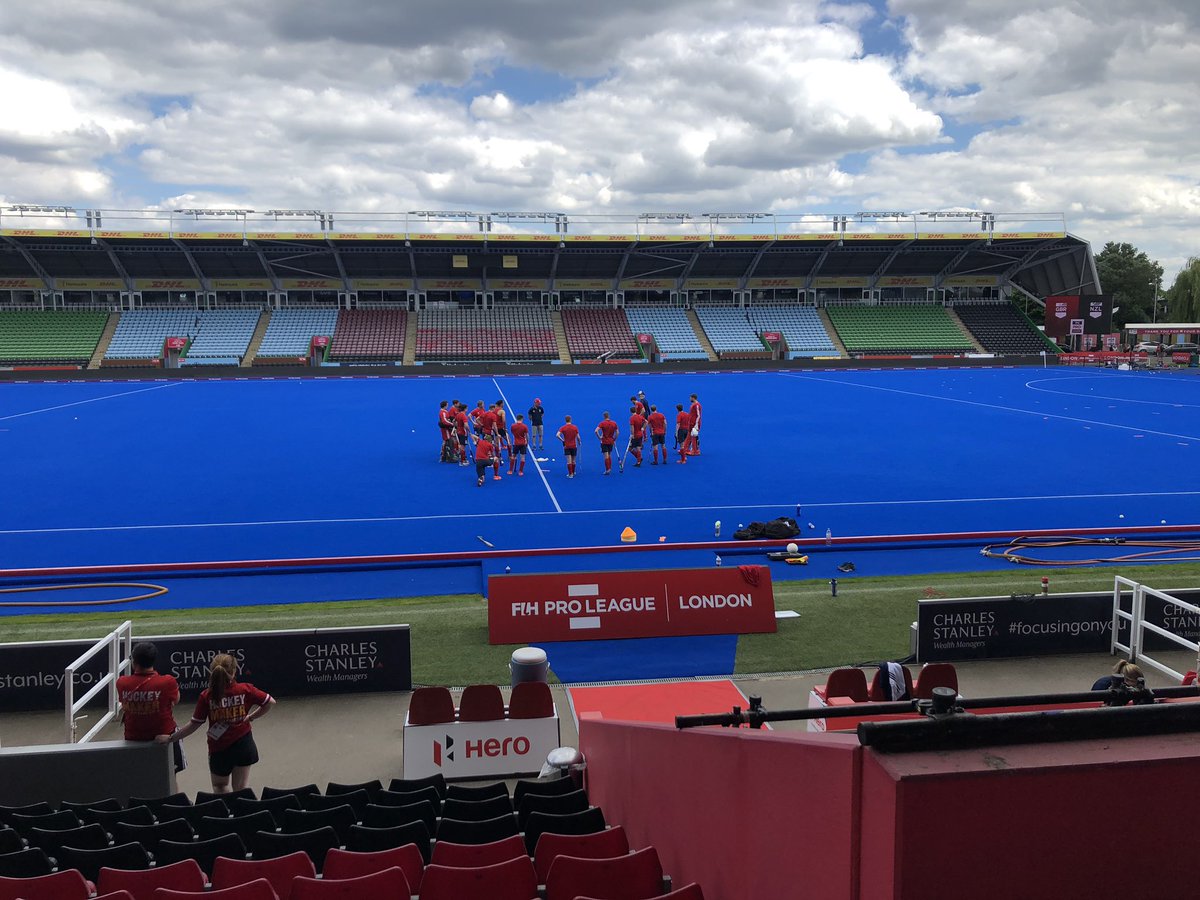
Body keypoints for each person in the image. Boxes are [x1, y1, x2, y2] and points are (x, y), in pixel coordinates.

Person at [161, 653, 275, 794]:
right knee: (241, 789)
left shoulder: (206, 696)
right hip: (244, 744)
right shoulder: (246, 689)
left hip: (218, 748)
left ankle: (226, 815)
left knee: (219, 786)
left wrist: (171, 738)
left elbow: (194, 724)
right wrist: (250, 717)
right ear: (234, 671)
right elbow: (269, 702)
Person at [117, 641, 185, 772]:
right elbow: (176, 700)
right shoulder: (167, 681)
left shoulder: (122, 683)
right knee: (169, 778)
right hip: (164, 738)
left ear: (134, 661)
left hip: (133, 739)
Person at [595, 411, 619, 475]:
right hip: (611, 441)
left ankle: (607, 470)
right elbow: (617, 432)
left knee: (606, 456)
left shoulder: (602, 423)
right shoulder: (614, 423)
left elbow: (596, 431)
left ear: (604, 417)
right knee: (609, 454)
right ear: (609, 416)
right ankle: (609, 468)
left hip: (604, 441)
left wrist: (599, 437)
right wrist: (614, 439)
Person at [627, 404, 646, 468]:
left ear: (630, 411)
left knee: (630, 449)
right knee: (638, 448)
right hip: (640, 434)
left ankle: (639, 458)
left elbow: (632, 428)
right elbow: (646, 421)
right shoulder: (639, 416)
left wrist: (632, 435)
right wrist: (643, 428)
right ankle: (639, 460)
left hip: (635, 435)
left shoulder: (632, 418)